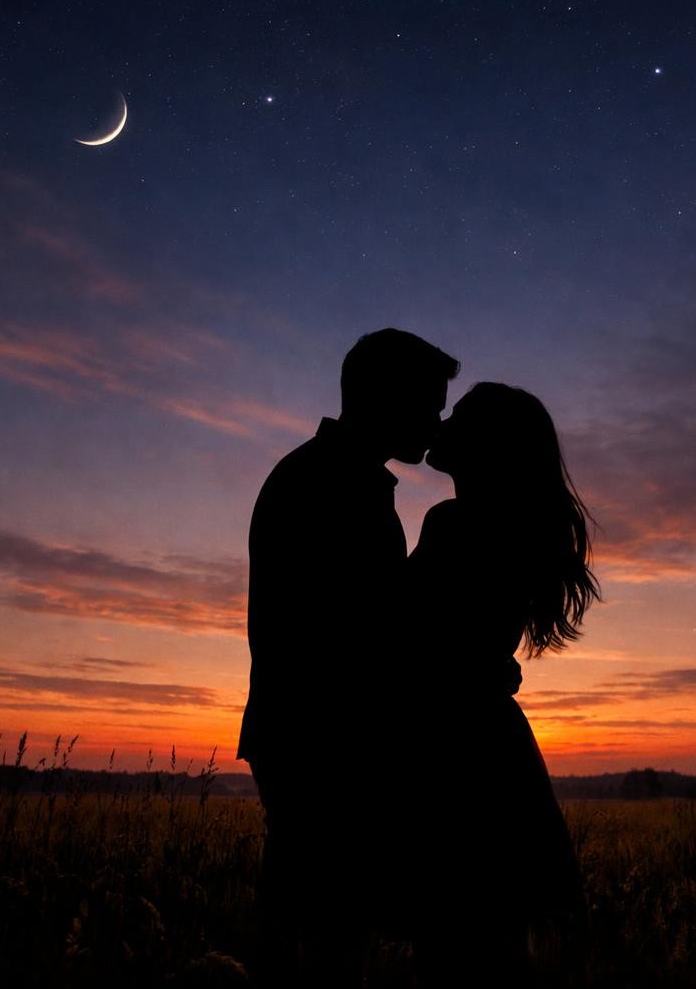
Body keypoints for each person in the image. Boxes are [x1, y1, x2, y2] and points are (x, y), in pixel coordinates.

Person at [236, 328, 459, 987]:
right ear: (387, 398)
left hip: (312, 739)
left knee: (321, 932)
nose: (437, 420)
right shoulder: (331, 485)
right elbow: (361, 634)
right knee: (327, 940)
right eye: (430, 404)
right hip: (322, 744)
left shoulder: (332, 477)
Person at [406, 381, 602, 988]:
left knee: (457, 944)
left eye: (459, 415)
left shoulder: (457, 525)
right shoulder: (507, 528)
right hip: (491, 744)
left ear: (485, 444)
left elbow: (402, 631)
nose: (442, 420)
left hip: (455, 748)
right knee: (491, 946)